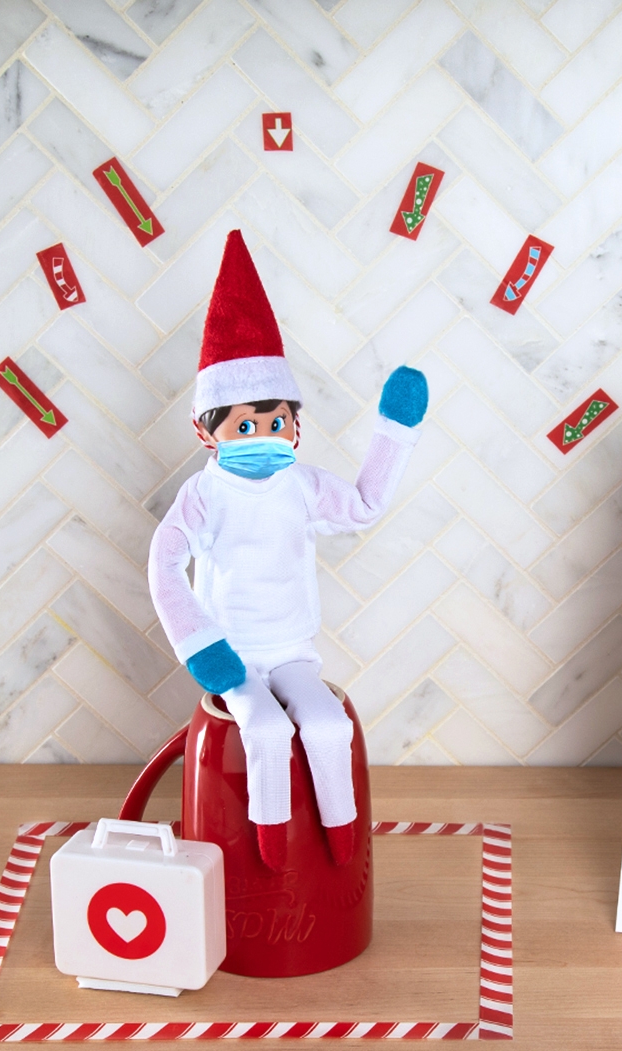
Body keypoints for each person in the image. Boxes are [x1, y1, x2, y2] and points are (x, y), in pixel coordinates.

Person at [148, 230, 426, 871]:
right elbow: (164, 563)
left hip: (294, 649)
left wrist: (395, 432)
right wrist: (201, 647)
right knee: (266, 729)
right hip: (232, 656)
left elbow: (362, 506)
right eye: (244, 424)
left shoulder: (300, 484)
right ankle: (272, 855)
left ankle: (342, 842)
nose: (263, 434)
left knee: (330, 725)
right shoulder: (203, 495)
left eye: (275, 422)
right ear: (206, 430)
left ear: (296, 424)